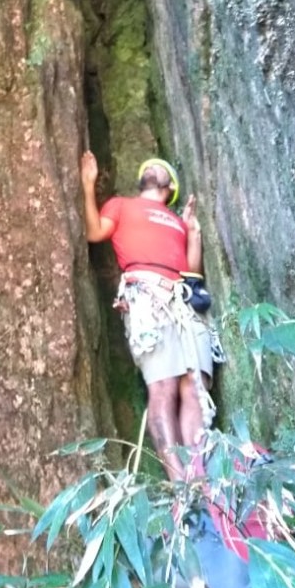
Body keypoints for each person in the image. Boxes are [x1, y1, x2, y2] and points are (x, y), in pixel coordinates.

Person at [80, 151, 221, 482]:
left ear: (170, 185)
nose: (151, 167)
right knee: (163, 387)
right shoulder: (121, 205)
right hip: (146, 295)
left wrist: (193, 233)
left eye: (159, 168)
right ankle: (179, 484)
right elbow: (95, 231)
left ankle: (200, 479)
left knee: (195, 387)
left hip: (183, 302)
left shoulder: (175, 220)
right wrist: (88, 185)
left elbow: (192, 273)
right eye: (147, 168)